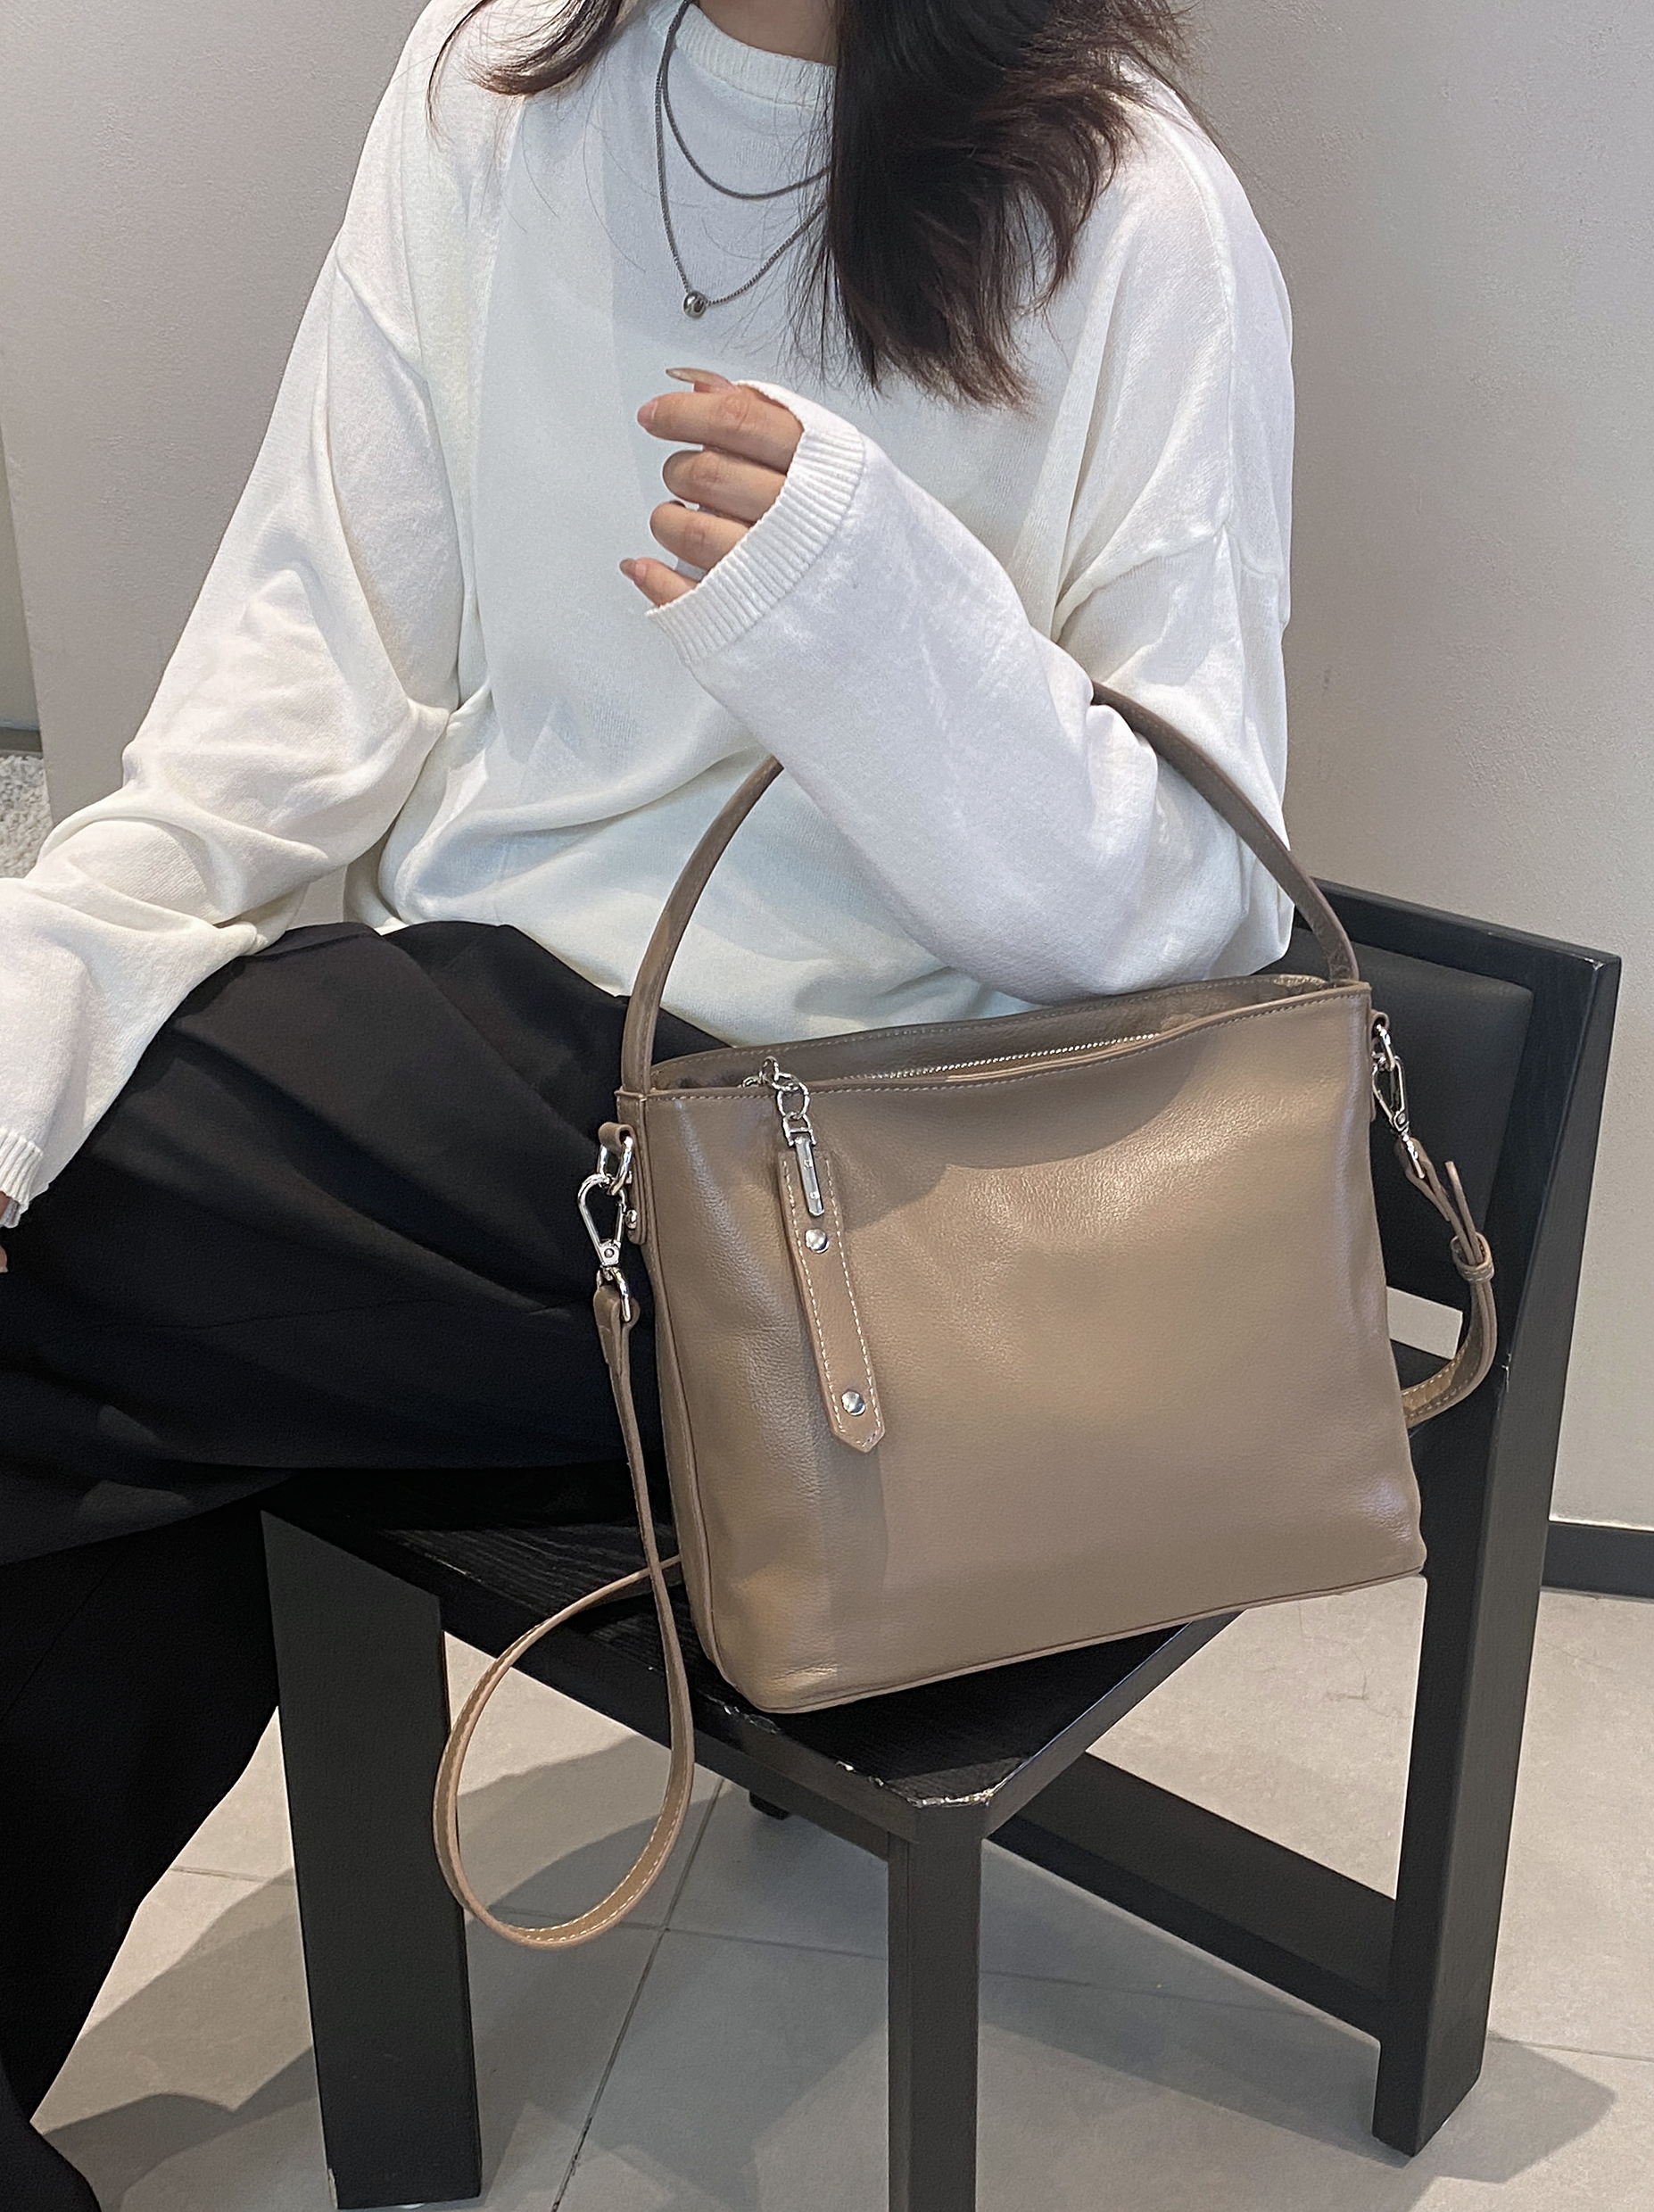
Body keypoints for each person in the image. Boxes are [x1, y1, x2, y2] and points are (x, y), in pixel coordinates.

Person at [0, 0, 1294, 2198]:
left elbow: (1196, 908)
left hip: (849, 1183)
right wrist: (59, 966)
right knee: (89, 1420)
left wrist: (875, 622)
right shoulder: (487, 78)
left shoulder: (1131, 210)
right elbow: (307, 662)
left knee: (69, 1295)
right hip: (469, 1063)